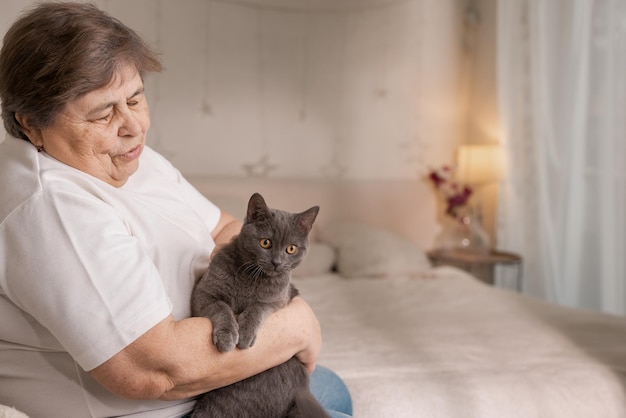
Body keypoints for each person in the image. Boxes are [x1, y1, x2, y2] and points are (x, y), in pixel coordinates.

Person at [0, 3, 352, 417]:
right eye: (103, 113)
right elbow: (156, 370)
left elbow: (227, 229)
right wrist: (296, 325)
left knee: (331, 388)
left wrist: (260, 308)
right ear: (30, 123)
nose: (133, 126)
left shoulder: (129, 157)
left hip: (227, 382)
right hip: (180, 408)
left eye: (135, 98)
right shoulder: (51, 205)